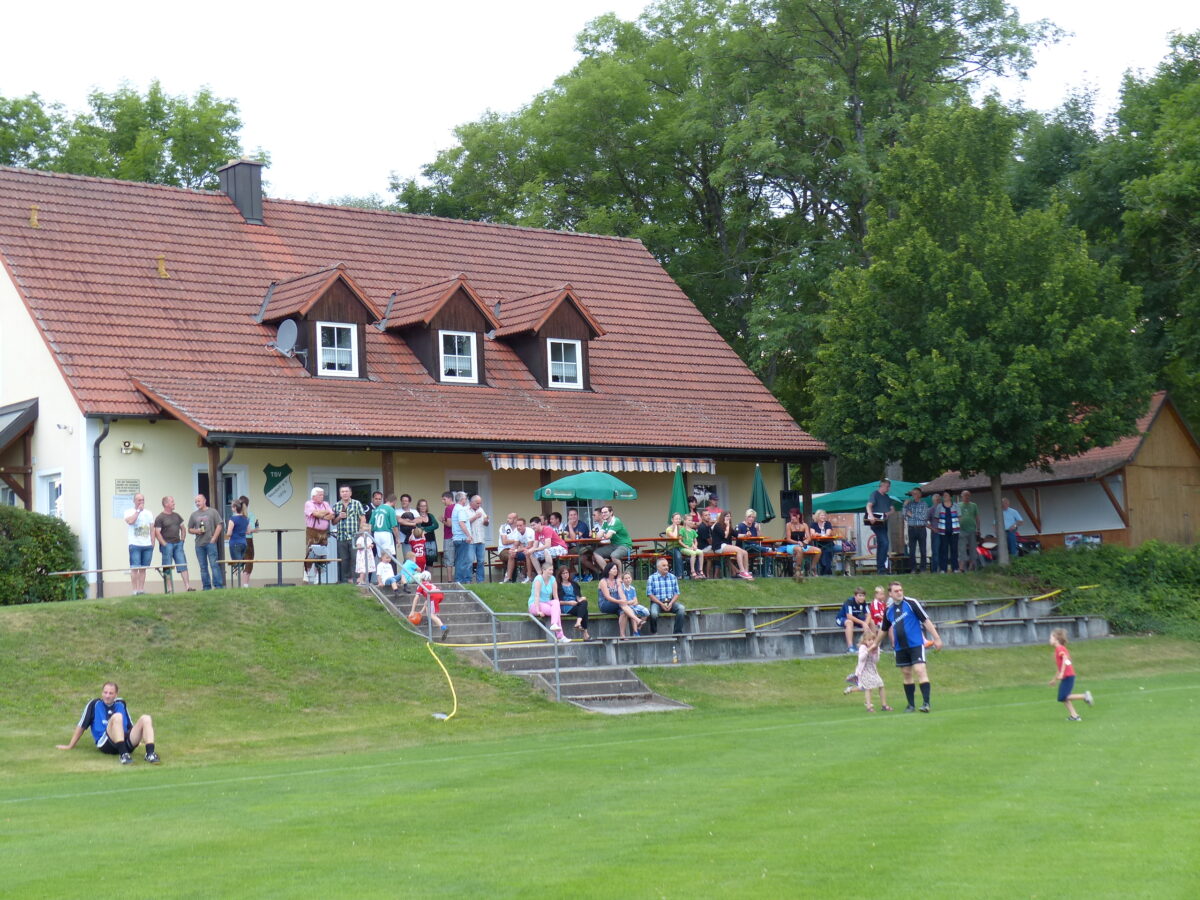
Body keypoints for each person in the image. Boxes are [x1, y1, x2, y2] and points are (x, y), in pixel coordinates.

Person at [56, 681, 160, 765]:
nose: (107, 696)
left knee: (146, 718)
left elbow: (130, 725)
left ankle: (150, 754)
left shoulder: (121, 703)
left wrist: (138, 740)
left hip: (125, 741)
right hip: (106, 743)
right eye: (105, 692)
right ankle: (123, 755)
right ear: (102, 693)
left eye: (111, 693)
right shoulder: (94, 704)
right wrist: (70, 745)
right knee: (117, 717)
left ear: (116, 694)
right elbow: (81, 726)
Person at [880, 581, 943, 713]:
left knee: (920, 670)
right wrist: (875, 644)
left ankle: (926, 703)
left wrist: (936, 638)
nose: (899, 592)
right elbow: (884, 629)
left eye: (901, 590)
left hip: (915, 644)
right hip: (900, 647)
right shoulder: (888, 611)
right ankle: (911, 705)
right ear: (890, 593)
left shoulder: (911, 603)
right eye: (896, 591)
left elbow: (925, 620)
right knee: (906, 673)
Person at [843, 619, 891, 712]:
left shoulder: (875, 648)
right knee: (868, 688)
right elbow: (861, 658)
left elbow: (875, 661)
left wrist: (876, 652)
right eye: (869, 640)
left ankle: (884, 705)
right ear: (864, 641)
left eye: (873, 640)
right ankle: (869, 707)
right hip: (863, 671)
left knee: (880, 684)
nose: (871, 642)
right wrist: (869, 650)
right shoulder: (863, 647)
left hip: (872, 670)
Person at [1049, 628, 1094, 721]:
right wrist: (1054, 679)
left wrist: (1062, 673)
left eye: (1051, 637)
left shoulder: (1059, 648)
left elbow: (1065, 658)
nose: (1049, 640)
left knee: (1063, 697)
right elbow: (1061, 665)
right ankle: (1074, 716)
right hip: (1067, 676)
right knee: (1063, 698)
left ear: (1056, 639)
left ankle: (1084, 696)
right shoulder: (1059, 649)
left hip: (1068, 676)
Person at [154, 495, 193, 591]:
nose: (174, 503)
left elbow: (183, 528)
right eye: (172, 502)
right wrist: (164, 544)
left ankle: (188, 586)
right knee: (167, 566)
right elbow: (157, 532)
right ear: (166, 504)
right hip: (167, 545)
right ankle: (169, 588)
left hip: (178, 544)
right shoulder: (160, 517)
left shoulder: (177, 516)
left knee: (182, 564)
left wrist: (182, 540)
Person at [597, 561, 644, 639]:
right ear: (608, 570)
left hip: (617, 604)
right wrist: (621, 601)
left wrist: (624, 600)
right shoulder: (603, 582)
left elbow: (621, 593)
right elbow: (608, 597)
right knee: (622, 605)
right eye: (614, 569)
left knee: (623, 612)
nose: (616, 570)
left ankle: (622, 635)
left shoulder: (617, 581)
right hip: (605, 604)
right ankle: (637, 620)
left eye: (616, 569)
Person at [187, 493, 224, 590]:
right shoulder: (194, 515)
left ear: (204, 501)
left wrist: (214, 538)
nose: (197, 503)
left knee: (214, 565)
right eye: (195, 501)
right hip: (199, 544)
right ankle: (206, 587)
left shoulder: (212, 512)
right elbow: (189, 529)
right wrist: (196, 531)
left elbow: (219, 525)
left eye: (199, 501)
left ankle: (218, 586)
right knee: (203, 567)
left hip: (210, 543)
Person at [528, 559, 570, 643]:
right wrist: (538, 611)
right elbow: (536, 596)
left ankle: (554, 625)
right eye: (549, 570)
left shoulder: (553, 579)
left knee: (556, 604)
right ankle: (560, 636)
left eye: (552, 570)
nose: (551, 572)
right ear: (543, 570)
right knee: (555, 612)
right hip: (535, 604)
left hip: (546, 602)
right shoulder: (538, 579)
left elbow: (555, 596)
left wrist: (558, 607)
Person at [333, 485, 367, 584]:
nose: (345, 493)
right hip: (341, 536)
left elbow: (362, 519)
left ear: (350, 493)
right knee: (344, 560)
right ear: (340, 494)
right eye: (342, 491)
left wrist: (361, 533)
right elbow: (333, 522)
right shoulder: (336, 505)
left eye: (346, 491)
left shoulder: (357, 504)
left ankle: (356, 580)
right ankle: (345, 581)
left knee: (356, 559)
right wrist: (339, 517)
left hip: (354, 536)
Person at [646, 556, 686, 635]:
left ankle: (677, 632)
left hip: (670, 602)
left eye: (667, 565)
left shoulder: (673, 577)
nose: (666, 567)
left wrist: (671, 603)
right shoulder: (651, 578)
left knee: (681, 609)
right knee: (653, 613)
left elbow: (676, 593)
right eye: (664, 565)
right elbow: (650, 594)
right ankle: (654, 632)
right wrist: (661, 604)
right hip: (657, 603)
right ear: (658, 567)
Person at [124, 492, 155, 595]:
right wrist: (138, 511)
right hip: (135, 544)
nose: (141, 502)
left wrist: (152, 542)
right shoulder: (128, 512)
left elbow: (152, 528)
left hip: (147, 545)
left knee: (143, 569)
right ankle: (135, 590)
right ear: (134, 501)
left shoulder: (149, 513)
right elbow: (131, 521)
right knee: (134, 568)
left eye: (143, 500)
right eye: (139, 500)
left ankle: (141, 590)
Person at [303, 487, 335, 584]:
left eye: (322, 494)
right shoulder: (309, 503)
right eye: (320, 495)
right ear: (314, 496)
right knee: (311, 552)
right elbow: (315, 514)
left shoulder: (326, 504)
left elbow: (332, 515)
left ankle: (318, 577)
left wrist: (321, 514)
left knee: (322, 553)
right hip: (312, 531)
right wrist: (324, 513)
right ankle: (306, 574)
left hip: (323, 532)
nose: (322, 496)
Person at [711, 511, 754, 579]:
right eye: (727, 516)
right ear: (723, 517)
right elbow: (725, 535)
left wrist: (746, 535)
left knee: (745, 552)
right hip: (718, 547)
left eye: (729, 516)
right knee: (738, 550)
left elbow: (737, 535)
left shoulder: (728, 527)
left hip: (725, 546)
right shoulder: (718, 525)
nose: (729, 518)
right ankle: (742, 571)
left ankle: (746, 572)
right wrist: (727, 525)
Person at [408, 570, 448, 640]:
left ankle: (443, 627)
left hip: (433, 596)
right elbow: (427, 602)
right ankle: (429, 620)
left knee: (432, 614)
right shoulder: (430, 585)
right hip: (440, 594)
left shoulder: (421, 585)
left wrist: (412, 611)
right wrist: (421, 612)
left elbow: (416, 598)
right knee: (427, 604)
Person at [591, 504, 632, 571]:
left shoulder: (616, 521)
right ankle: (608, 572)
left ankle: (619, 576)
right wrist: (594, 533)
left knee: (614, 556)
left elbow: (608, 536)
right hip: (613, 545)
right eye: (602, 513)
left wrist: (602, 534)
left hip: (624, 545)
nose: (603, 514)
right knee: (596, 553)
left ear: (611, 512)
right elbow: (598, 537)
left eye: (605, 512)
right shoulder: (605, 523)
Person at [557, 565, 591, 641]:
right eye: (563, 573)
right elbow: (556, 601)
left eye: (567, 573)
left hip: (575, 604)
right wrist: (569, 603)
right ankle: (585, 633)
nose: (565, 575)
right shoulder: (558, 586)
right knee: (584, 610)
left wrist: (582, 598)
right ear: (560, 575)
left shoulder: (574, 584)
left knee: (584, 603)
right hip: (566, 605)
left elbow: (578, 597)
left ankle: (578, 622)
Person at [865, 478, 893, 573]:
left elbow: (892, 509)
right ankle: (881, 567)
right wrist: (871, 516)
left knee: (882, 544)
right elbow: (868, 506)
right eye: (887, 486)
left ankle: (880, 567)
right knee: (885, 542)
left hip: (884, 522)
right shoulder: (875, 494)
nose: (888, 488)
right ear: (882, 485)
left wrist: (887, 513)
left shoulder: (887, 497)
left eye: (889, 487)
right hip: (876, 522)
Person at [901, 487, 930, 573]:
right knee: (912, 550)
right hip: (911, 529)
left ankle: (923, 569)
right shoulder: (909, 504)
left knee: (923, 550)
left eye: (916, 493)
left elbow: (923, 517)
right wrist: (904, 505)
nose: (914, 495)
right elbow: (903, 515)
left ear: (920, 495)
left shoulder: (924, 504)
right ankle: (913, 569)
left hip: (921, 529)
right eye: (913, 494)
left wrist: (912, 515)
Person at [226, 498, 252, 587]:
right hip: (244, 543)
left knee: (237, 565)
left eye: (232, 507)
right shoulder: (246, 518)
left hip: (234, 543)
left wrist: (229, 533)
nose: (231, 508)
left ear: (234, 508)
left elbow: (229, 533)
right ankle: (244, 584)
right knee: (240, 564)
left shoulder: (232, 519)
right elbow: (248, 531)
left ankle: (240, 585)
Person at [501, 516, 534, 583]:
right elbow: (515, 544)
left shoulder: (530, 531)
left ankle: (529, 577)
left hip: (532, 551)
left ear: (525, 525)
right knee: (511, 554)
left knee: (527, 554)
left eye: (520, 525)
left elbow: (530, 546)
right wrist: (512, 550)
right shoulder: (517, 532)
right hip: (523, 550)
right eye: (517, 526)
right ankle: (508, 578)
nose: (518, 527)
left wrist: (517, 550)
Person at [932, 493, 959, 573]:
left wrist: (956, 525)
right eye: (944, 496)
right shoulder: (939, 506)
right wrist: (940, 527)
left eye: (946, 495)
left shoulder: (956, 506)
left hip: (954, 531)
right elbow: (936, 518)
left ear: (951, 497)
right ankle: (943, 568)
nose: (944, 497)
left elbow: (959, 517)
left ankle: (955, 568)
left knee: (954, 550)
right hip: (943, 532)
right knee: (944, 550)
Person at [837, 587, 869, 654]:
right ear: (855, 596)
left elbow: (869, 615)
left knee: (871, 622)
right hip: (842, 618)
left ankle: (872, 645)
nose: (862, 597)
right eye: (860, 596)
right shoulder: (849, 601)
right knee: (849, 622)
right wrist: (863, 623)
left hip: (855, 619)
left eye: (863, 596)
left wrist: (866, 623)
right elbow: (849, 616)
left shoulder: (863, 602)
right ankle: (850, 647)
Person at [736, 508, 769, 574]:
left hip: (754, 547)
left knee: (768, 555)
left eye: (753, 517)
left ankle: (764, 574)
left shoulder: (754, 525)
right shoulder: (740, 525)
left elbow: (760, 537)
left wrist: (758, 530)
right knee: (753, 546)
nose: (751, 519)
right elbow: (736, 535)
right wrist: (745, 535)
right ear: (746, 517)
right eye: (749, 517)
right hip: (743, 546)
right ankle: (767, 549)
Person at [450, 491, 473, 583]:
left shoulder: (456, 508)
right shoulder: (461, 509)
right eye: (465, 498)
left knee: (460, 560)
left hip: (457, 538)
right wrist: (468, 535)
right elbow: (461, 523)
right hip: (462, 538)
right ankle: (460, 580)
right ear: (462, 499)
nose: (466, 500)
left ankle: (460, 580)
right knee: (462, 561)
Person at [466, 494, 490, 583]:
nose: (479, 505)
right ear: (471, 502)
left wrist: (486, 521)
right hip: (471, 540)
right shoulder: (465, 510)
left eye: (480, 503)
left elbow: (486, 524)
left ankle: (480, 581)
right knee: (469, 561)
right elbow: (465, 523)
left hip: (481, 539)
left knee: (481, 561)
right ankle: (468, 581)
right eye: (477, 503)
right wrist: (475, 516)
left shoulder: (481, 509)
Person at [370, 493, 399, 562]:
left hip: (376, 534)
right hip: (386, 533)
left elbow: (371, 524)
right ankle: (386, 571)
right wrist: (397, 538)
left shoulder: (377, 509)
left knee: (380, 556)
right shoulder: (390, 509)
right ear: (394, 501)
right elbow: (394, 526)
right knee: (388, 555)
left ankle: (381, 570)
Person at [784, 508, 811, 578]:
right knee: (799, 550)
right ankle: (798, 570)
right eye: (790, 516)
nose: (791, 518)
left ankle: (813, 569)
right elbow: (788, 539)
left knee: (818, 551)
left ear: (798, 516)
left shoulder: (804, 525)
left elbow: (809, 537)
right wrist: (798, 542)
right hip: (792, 545)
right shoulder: (788, 525)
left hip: (802, 544)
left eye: (793, 516)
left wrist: (806, 541)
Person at [957, 490, 979, 572]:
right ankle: (961, 567)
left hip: (972, 529)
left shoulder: (974, 505)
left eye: (968, 495)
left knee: (973, 548)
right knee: (961, 549)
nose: (967, 497)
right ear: (961, 496)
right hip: (961, 530)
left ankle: (971, 565)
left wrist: (978, 528)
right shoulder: (958, 505)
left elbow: (977, 517)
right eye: (965, 495)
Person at [679, 513, 705, 579]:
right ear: (685, 521)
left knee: (701, 552)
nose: (691, 521)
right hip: (684, 548)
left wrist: (695, 546)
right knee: (693, 553)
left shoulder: (693, 531)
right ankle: (692, 571)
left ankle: (700, 570)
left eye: (691, 520)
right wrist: (686, 546)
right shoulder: (682, 530)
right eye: (689, 520)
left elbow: (695, 541)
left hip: (691, 547)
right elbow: (679, 541)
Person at [810, 509, 836, 576]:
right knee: (823, 551)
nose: (823, 517)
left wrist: (819, 533)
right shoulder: (813, 524)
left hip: (828, 543)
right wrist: (819, 534)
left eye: (824, 515)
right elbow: (813, 534)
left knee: (827, 551)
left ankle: (825, 570)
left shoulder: (827, 523)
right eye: (822, 515)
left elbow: (828, 534)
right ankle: (827, 570)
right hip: (818, 544)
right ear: (817, 516)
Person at [417, 498, 439, 565]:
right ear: (418, 507)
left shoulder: (430, 515)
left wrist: (425, 529)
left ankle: (430, 576)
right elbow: (418, 527)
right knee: (421, 562)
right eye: (421, 506)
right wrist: (424, 529)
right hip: (421, 542)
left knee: (430, 563)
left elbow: (436, 525)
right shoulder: (417, 516)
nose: (423, 507)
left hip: (431, 542)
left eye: (425, 506)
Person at [440, 490, 456, 569]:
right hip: (457, 536)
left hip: (449, 536)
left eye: (444, 499)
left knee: (448, 559)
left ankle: (449, 580)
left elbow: (449, 524)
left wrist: (442, 520)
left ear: (450, 498)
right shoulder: (457, 507)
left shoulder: (448, 508)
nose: (443, 501)